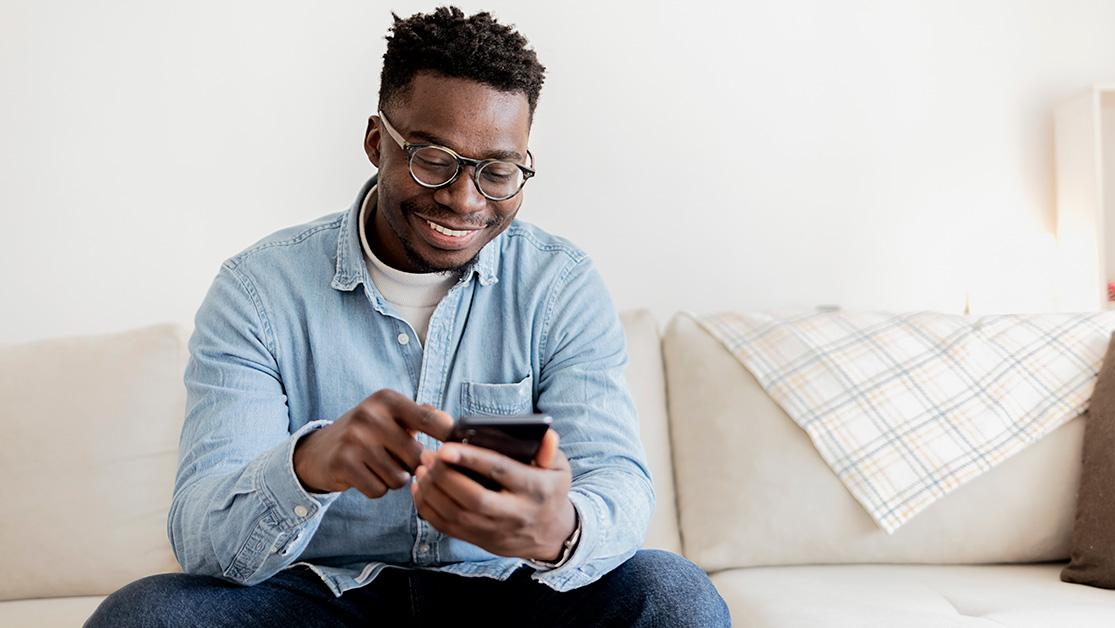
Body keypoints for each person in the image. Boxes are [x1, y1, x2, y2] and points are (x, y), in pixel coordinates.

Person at [85, 6, 729, 627]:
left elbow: (617, 481)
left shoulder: (558, 286)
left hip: (508, 594)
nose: (463, 199)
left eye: (498, 171)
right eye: (433, 160)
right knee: (143, 615)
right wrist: (308, 463)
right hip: (323, 598)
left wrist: (559, 528)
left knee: (674, 595)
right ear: (376, 142)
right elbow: (202, 536)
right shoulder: (258, 291)